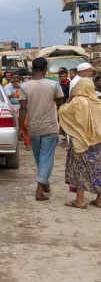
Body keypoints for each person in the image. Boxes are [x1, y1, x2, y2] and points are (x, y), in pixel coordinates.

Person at [19, 57, 64, 201]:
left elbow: (23, 108)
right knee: (46, 158)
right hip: (50, 127)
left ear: (33, 69)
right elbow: (61, 106)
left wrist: (21, 128)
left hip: (33, 127)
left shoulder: (24, 86)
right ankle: (40, 187)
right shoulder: (54, 85)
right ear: (46, 69)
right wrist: (62, 124)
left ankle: (44, 182)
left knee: (40, 158)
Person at [58, 78, 101, 209]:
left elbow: (62, 111)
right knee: (98, 170)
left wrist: (70, 96)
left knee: (79, 170)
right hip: (98, 142)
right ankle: (99, 200)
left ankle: (80, 200)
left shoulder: (77, 102)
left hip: (80, 143)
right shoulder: (98, 102)